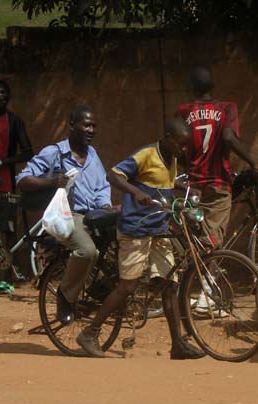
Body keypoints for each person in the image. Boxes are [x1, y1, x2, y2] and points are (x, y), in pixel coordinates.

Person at [75, 119, 205, 360]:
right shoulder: (145, 154)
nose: (183, 150)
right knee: (128, 286)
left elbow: (162, 180)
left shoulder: (172, 158)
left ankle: (178, 344)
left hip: (158, 227)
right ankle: (90, 333)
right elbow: (114, 175)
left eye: (185, 146)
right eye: (180, 145)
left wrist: (183, 187)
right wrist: (136, 192)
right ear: (167, 137)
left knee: (169, 285)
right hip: (135, 228)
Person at [16, 105, 112, 325]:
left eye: (94, 126)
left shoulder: (93, 155)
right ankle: (65, 296)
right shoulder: (55, 152)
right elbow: (22, 179)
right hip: (67, 216)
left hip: (92, 215)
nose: (91, 130)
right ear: (72, 125)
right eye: (86, 125)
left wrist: (105, 206)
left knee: (122, 238)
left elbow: (101, 187)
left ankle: (100, 292)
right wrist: (51, 181)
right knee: (87, 251)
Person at [174, 66, 258, 249]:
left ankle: (197, 273)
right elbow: (228, 137)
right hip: (217, 183)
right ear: (213, 85)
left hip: (193, 185)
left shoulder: (183, 112)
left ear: (193, 88)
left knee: (198, 238)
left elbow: (176, 147)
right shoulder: (226, 108)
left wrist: (188, 164)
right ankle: (205, 276)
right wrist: (253, 162)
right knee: (211, 242)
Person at [0, 80, 35, 288]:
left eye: (6, 93)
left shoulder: (14, 121)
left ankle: (8, 274)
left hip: (4, 183)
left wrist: (2, 162)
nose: (3, 96)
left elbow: (28, 152)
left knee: (7, 229)